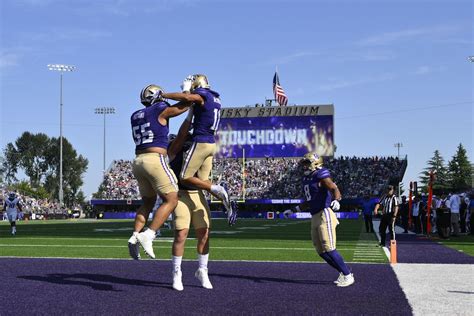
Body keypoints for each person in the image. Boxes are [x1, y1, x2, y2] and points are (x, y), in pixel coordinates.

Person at [127, 84, 191, 259]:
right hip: (154, 159)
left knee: (148, 202)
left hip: (138, 161)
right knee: (172, 198)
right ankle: (149, 234)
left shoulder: (135, 115)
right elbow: (185, 105)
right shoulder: (160, 109)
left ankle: (135, 236)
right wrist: (185, 92)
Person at [167, 116, 230, 291]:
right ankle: (176, 272)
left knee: (204, 233)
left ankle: (202, 270)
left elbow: (203, 179)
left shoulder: (198, 151)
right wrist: (189, 118)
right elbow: (180, 138)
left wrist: (223, 199)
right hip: (180, 194)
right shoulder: (173, 149)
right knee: (181, 234)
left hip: (198, 195)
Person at [161, 75, 235, 220]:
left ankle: (219, 189)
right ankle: (227, 204)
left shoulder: (203, 95)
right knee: (203, 181)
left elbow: (187, 99)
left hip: (201, 141)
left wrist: (167, 94)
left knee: (185, 177)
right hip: (212, 143)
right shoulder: (216, 98)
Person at [283, 153, 354, 287]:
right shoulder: (307, 179)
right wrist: (294, 210)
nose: (304, 166)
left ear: (315, 163)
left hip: (324, 213)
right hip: (315, 215)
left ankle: (348, 275)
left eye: (307, 163)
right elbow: (309, 201)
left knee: (329, 247)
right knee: (321, 251)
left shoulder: (320, 174)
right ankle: (344, 271)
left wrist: (337, 199)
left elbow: (334, 187)